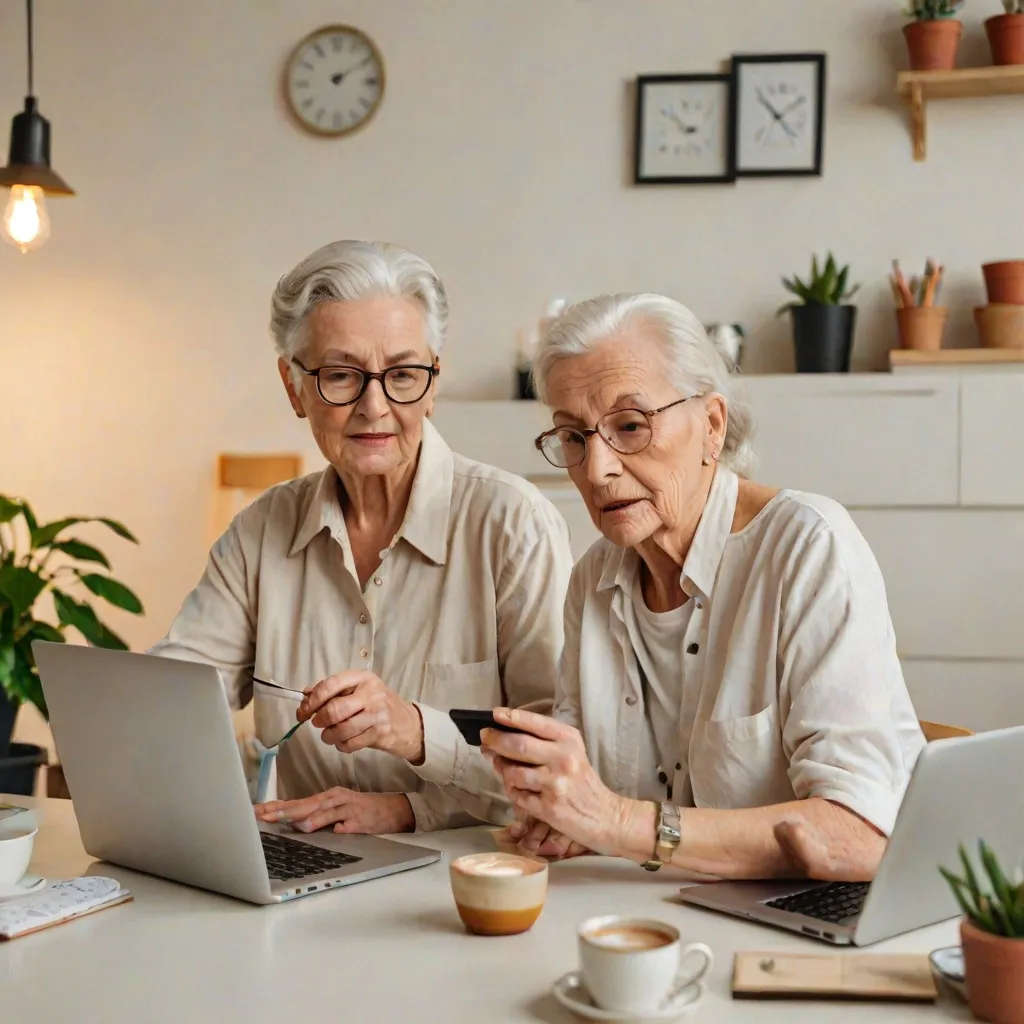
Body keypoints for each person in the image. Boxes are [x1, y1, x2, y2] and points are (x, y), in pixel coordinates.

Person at [480, 292, 926, 881]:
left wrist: (615, 821)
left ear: (712, 425)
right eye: (574, 437)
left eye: (631, 426)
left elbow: (857, 834)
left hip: (819, 925)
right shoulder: (593, 578)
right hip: (662, 912)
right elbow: (587, 797)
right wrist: (566, 820)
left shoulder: (807, 548)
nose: (596, 470)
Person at [150, 240, 572, 834]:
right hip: (308, 876)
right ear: (294, 386)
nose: (374, 406)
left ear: (432, 385)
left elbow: (557, 755)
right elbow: (173, 699)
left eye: (402, 374)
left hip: (475, 873)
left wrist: (412, 777)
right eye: (341, 376)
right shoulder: (260, 532)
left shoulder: (513, 524)